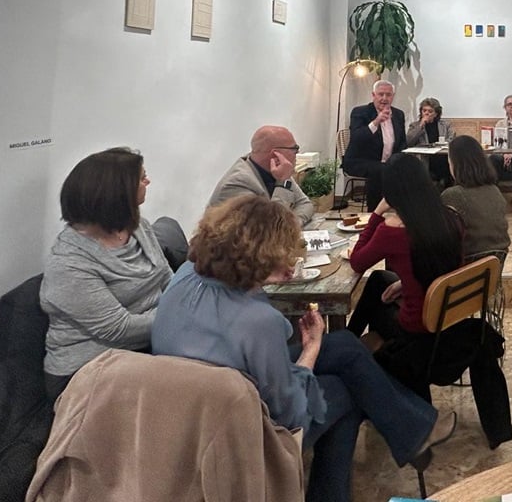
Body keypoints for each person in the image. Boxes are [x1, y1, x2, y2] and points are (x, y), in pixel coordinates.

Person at [150, 195, 456, 502]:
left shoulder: (186, 275)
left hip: (190, 415)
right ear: (256, 256)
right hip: (241, 432)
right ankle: (353, 477)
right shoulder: (259, 321)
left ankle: (415, 429)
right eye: (281, 256)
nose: (288, 265)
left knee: (347, 346)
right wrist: (310, 348)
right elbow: (290, 413)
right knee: (346, 392)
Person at [39, 147, 172, 401]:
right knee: (206, 387)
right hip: (87, 370)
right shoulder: (68, 264)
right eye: (141, 177)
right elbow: (120, 330)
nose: (148, 181)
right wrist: (183, 315)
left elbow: (167, 278)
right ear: (116, 193)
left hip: (146, 345)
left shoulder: (138, 226)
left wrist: (190, 308)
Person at [346, 153, 463, 342]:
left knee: (375, 307)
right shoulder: (450, 217)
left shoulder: (393, 230)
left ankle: (357, 343)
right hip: (447, 313)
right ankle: (351, 339)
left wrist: (376, 213)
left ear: (391, 191)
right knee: (378, 279)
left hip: (416, 326)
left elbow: (357, 262)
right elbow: (441, 264)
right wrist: (405, 283)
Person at [208, 125, 315, 226]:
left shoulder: (277, 171)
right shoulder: (238, 183)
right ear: (275, 155)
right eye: (294, 149)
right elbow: (271, 228)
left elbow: (305, 204)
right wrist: (282, 183)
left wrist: (293, 225)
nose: (297, 153)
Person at [441, 135, 511, 260]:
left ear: (455, 163)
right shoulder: (494, 191)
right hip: (495, 264)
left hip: (467, 267)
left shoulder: (452, 195)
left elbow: (443, 240)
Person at [344, 80, 406, 210]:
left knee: (411, 167)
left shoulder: (398, 114)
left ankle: (404, 212)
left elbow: (402, 143)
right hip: (360, 161)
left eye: (388, 95)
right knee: (380, 170)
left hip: (388, 162)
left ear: (393, 96)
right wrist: (376, 121)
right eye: (381, 94)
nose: (384, 98)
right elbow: (357, 138)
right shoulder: (360, 112)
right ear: (373, 95)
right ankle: (374, 213)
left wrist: (401, 160)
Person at [406, 97, 455, 185]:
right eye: (424, 110)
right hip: (425, 161)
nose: (426, 113)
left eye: (430, 111)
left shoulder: (446, 125)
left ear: (436, 113)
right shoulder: (414, 125)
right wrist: (421, 125)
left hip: (443, 159)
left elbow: (452, 139)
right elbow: (408, 142)